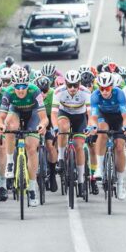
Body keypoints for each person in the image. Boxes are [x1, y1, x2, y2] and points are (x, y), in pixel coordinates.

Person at [0, 68, 49, 207]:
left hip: (32, 114)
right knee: (10, 125)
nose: (20, 90)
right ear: (13, 86)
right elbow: (0, 118)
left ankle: (32, 189)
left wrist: (42, 125)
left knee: (32, 148)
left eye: (23, 86)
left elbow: (44, 118)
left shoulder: (35, 91)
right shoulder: (8, 92)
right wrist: (1, 126)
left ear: (28, 84)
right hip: (16, 112)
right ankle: (10, 162)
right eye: (17, 87)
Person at [88, 72, 126, 200]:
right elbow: (93, 117)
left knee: (119, 147)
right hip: (104, 117)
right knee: (102, 131)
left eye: (107, 88)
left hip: (118, 118)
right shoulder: (95, 96)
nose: (104, 91)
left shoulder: (119, 93)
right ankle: (100, 169)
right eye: (101, 88)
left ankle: (120, 183)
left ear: (112, 86)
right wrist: (93, 127)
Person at [51, 70, 92, 198]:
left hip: (80, 117)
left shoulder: (86, 92)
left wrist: (90, 126)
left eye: (75, 85)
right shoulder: (58, 92)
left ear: (79, 83)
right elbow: (53, 113)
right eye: (70, 85)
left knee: (79, 146)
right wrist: (56, 128)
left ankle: (80, 182)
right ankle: (61, 159)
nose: (73, 88)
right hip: (65, 114)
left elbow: (90, 114)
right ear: (66, 84)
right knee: (63, 127)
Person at [34, 75, 58, 192]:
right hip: (35, 121)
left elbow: (57, 113)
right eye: (40, 91)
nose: (43, 94)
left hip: (49, 121)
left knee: (50, 146)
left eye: (45, 91)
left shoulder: (53, 94)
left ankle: (52, 174)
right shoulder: (33, 94)